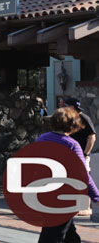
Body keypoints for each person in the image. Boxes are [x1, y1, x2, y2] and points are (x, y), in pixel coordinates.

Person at [36, 107, 99, 242]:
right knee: (52, 235)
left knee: (70, 236)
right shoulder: (71, 144)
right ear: (73, 125)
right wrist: (96, 197)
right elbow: (82, 175)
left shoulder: (41, 139)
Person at [64, 97, 96, 217]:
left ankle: (86, 207)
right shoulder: (70, 119)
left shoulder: (84, 118)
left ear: (72, 107)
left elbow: (92, 136)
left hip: (81, 155)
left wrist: (86, 153)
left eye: (66, 105)